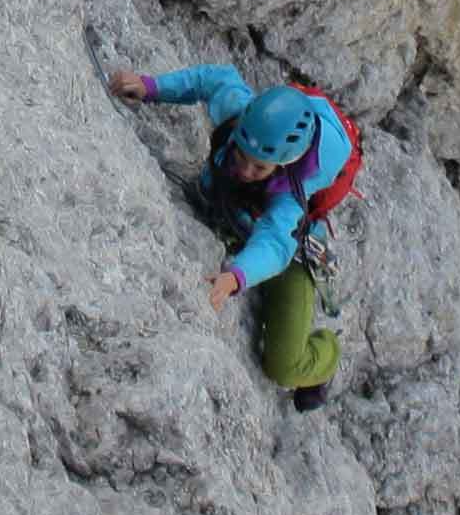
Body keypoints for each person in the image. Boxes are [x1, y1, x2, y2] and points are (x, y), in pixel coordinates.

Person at [106, 63, 362, 411]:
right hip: (247, 218)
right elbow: (214, 80)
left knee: (284, 367)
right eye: (241, 156)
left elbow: (275, 243)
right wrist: (151, 86)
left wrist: (235, 277)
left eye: (259, 168)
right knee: (218, 190)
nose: (244, 169)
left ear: (285, 164)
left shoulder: (291, 195)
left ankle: (327, 355)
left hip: (294, 257)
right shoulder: (245, 118)